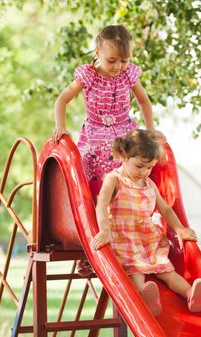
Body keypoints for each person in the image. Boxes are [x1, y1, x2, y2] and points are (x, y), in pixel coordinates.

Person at [51, 24, 162, 276]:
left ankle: (139, 241)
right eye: (112, 60)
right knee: (94, 194)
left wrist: (150, 129)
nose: (118, 66)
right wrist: (61, 127)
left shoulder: (128, 75)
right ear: (98, 51)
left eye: (124, 60)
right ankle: (90, 252)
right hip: (96, 137)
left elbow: (143, 100)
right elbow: (62, 100)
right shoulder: (87, 75)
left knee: (131, 186)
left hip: (124, 136)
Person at [92, 129, 201, 316]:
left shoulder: (149, 184)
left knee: (167, 270)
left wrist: (180, 229)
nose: (144, 172)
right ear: (124, 155)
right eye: (139, 166)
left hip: (148, 238)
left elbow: (165, 209)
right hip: (125, 239)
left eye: (149, 168)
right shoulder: (114, 179)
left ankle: (191, 294)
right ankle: (146, 298)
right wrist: (104, 230)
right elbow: (101, 205)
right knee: (136, 274)